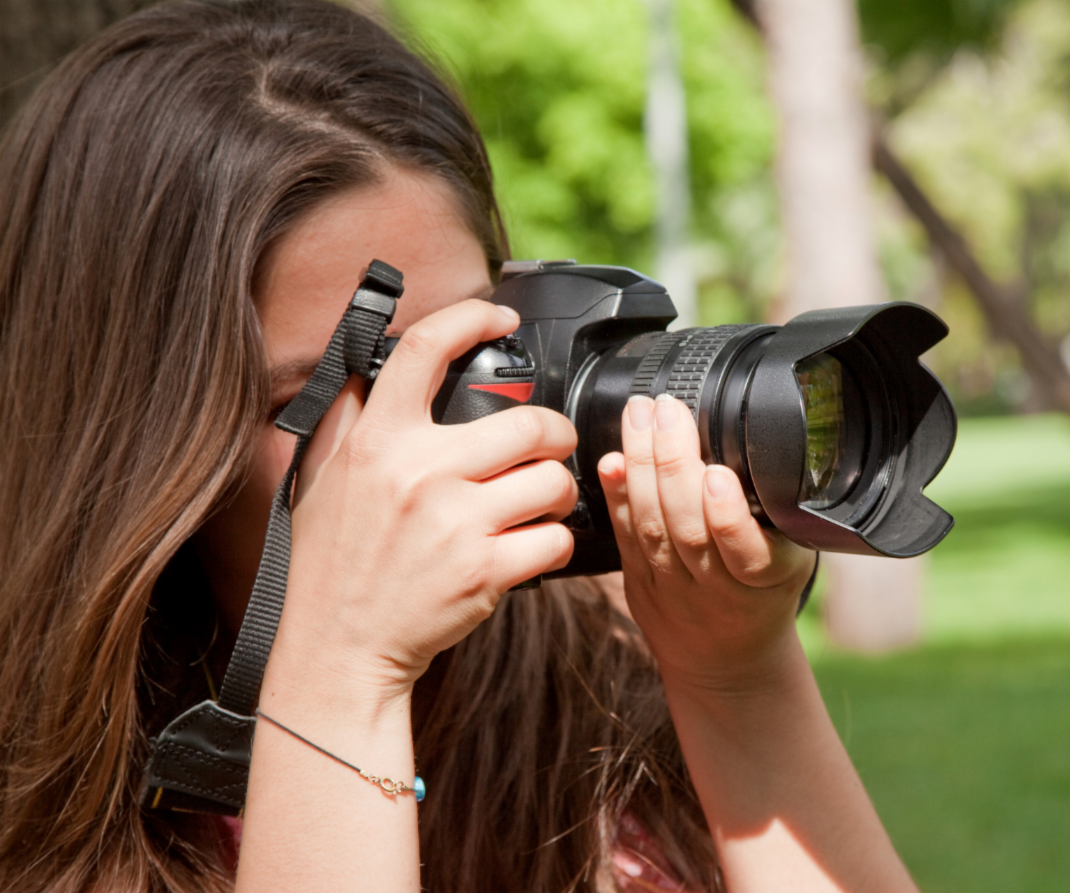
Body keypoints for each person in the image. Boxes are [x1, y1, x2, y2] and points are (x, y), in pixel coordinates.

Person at [0, 1, 918, 891]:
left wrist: (738, 678)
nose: (421, 439)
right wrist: (341, 676)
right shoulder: (39, 803)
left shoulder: (595, 680)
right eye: (324, 390)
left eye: (467, 353)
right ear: (138, 439)